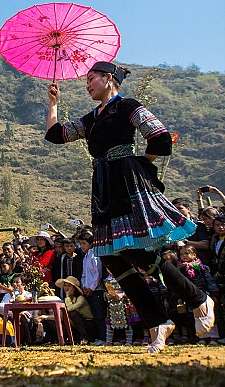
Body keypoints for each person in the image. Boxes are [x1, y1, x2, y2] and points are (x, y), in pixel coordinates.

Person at [46, 62, 215, 353]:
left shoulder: (128, 106)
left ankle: (199, 300)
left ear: (108, 78)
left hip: (126, 183)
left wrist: (138, 164)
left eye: (91, 78)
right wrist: (53, 105)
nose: (87, 84)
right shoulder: (92, 118)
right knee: (111, 257)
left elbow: (160, 137)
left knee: (136, 253)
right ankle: (158, 321)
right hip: (102, 187)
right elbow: (57, 135)